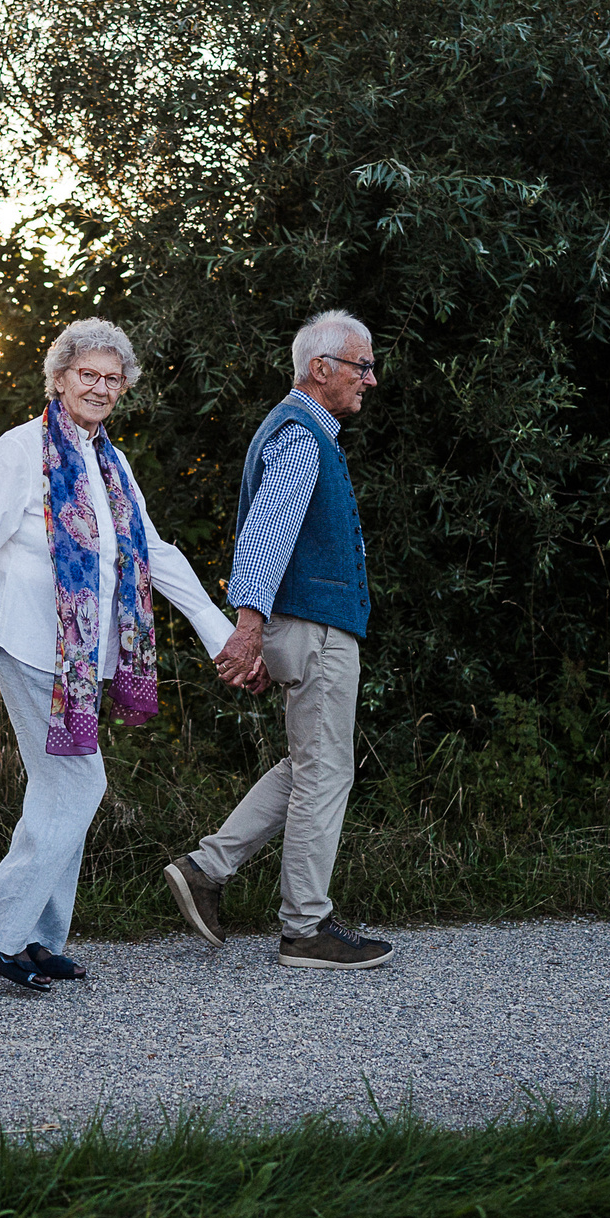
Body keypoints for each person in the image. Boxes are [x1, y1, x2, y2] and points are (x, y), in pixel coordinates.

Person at [0, 318, 256, 992]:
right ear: (58, 378)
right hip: (30, 642)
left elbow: (153, 552)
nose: (99, 386)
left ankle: (36, 936)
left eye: (111, 377)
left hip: (80, 658)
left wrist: (218, 632)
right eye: (86, 373)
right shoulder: (20, 450)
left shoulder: (109, 461)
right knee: (79, 784)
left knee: (59, 785)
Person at [163, 310, 395, 970]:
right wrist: (249, 627)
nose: (370, 379)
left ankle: (207, 868)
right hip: (315, 627)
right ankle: (306, 926)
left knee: (308, 763)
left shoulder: (307, 431)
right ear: (320, 369)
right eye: (362, 366)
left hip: (307, 624)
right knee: (324, 769)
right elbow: (264, 535)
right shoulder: (300, 435)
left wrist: (262, 628)